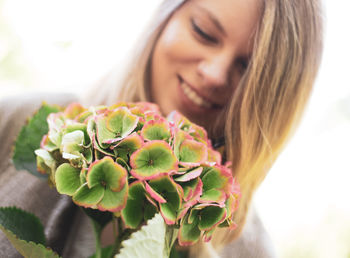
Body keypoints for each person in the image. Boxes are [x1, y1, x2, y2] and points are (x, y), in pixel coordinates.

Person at [0, 0, 323, 257]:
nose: (215, 74)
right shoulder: (20, 121)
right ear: (166, 17)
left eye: (249, 68)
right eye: (204, 32)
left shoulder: (251, 252)